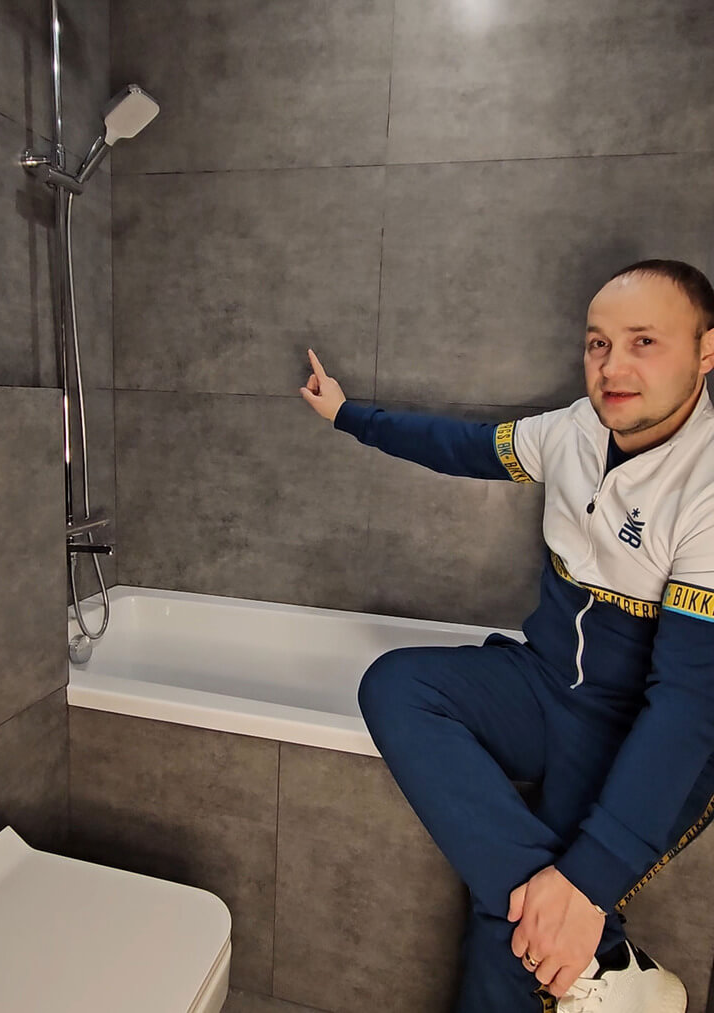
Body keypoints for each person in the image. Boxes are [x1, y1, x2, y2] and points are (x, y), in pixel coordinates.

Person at [299, 259, 714, 1012]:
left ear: (706, 350)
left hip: (637, 730)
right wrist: (348, 415)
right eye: (598, 343)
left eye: (644, 341)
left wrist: (587, 879)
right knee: (395, 685)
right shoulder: (573, 431)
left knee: (506, 924)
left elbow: (685, 706)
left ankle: (575, 945)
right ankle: (606, 962)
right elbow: (459, 445)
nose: (612, 366)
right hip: (545, 683)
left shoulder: (709, 486)